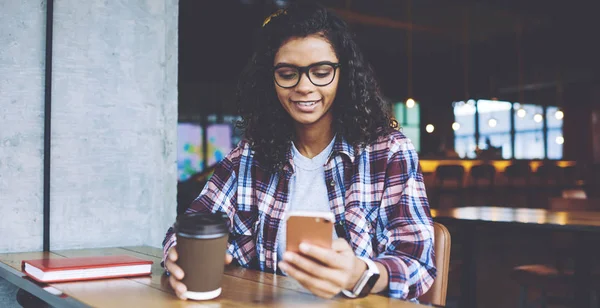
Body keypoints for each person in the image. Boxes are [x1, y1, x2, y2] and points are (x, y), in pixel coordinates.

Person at [163, 3, 435, 301]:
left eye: (321, 72)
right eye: (288, 73)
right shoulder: (250, 155)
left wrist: (361, 274)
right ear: (271, 80)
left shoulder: (388, 152)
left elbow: (418, 263)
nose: (304, 86)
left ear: (344, 75)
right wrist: (179, 254)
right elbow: (194, 223)